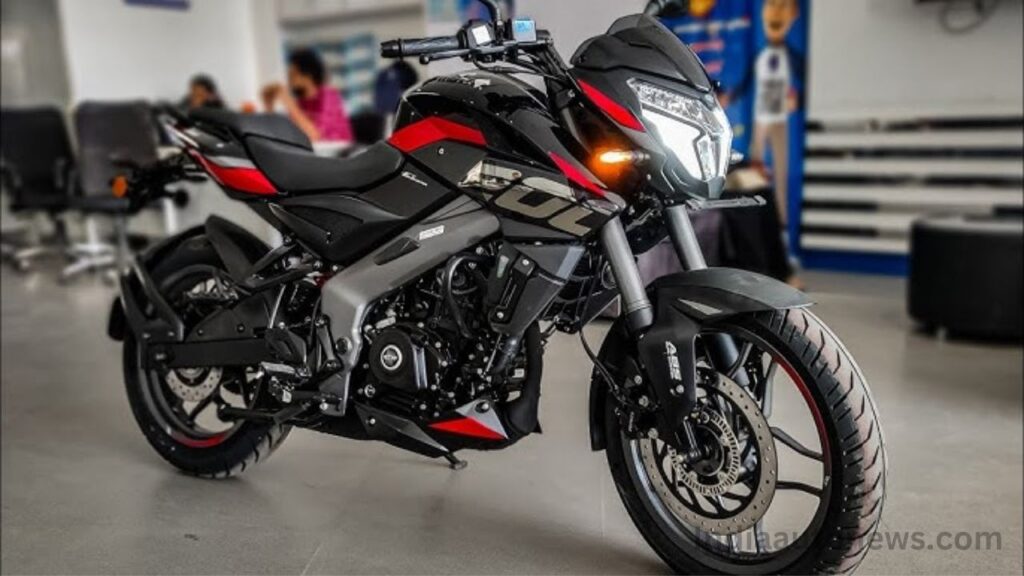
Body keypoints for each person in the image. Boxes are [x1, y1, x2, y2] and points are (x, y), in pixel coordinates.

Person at [261, 48, 353, 143]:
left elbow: (315, 136)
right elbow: (286, 136)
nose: (289, 79)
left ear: (308, 75)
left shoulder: (329, 96)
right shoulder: (301, 103)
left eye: (293, 74)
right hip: (314, 150)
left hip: (338, 149)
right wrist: (269, 105)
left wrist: (288, 102)